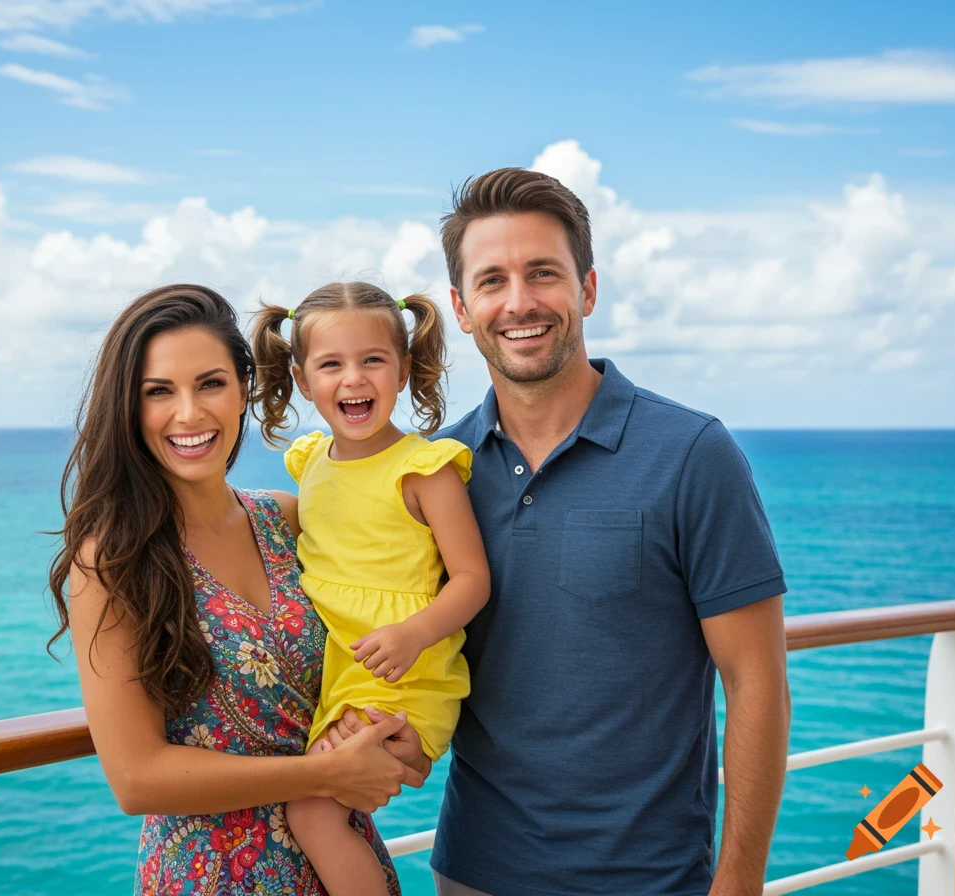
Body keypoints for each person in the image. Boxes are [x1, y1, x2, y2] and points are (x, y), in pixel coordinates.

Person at [335, 170, 792, 895]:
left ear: (586, 289)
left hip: (653, 881)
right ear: (461, 307)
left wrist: (738, 885)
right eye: (492, 281)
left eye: (542, 273)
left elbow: (757, 681)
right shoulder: (433, 478)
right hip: (473, 873)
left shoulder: (692, 454)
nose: (518, 302)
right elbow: (426, 651)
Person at [47, 284, 423, 895]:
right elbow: (137, 778)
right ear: (128, 407)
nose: (190, 413)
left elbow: (378, 641)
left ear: (245, 389)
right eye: (159, 392)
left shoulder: (291, 518)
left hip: (343, 863)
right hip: (212, 878)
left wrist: (396, 739)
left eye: (211, 383)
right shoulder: (115, 561)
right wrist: (324, 773)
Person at [250, 282, 490, 896]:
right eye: (331, 364)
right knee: (315, 802)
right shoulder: (310, 463)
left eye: (373, 360)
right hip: (339, 669)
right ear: (303, 380)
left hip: (405, 671)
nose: (353, 379)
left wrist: (414, 633)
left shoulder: (424, 469)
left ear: (404, 370)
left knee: (310, 808)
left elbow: (471, 579)